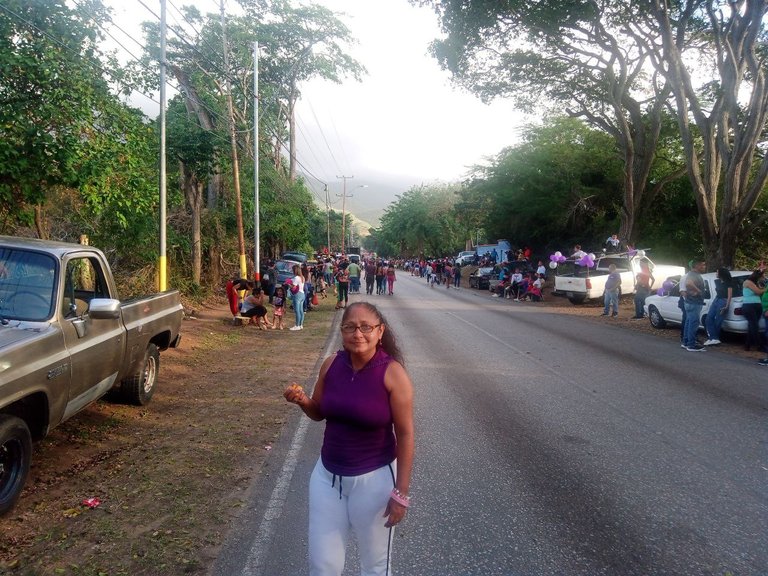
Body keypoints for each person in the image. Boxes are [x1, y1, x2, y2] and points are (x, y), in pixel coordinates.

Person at [283, 302, 415, 576]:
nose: (358, 334)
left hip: (375, 482)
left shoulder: (393, 374)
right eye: (350, 327)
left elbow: (405, 434)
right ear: (342, 331)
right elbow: (319, 412)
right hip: (326, 479)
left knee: (375, 567)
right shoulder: (332, 364)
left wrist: (400, 493)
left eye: (366, 327)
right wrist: (302, 400)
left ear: (380, 332)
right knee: (323, 566)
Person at [703, 268, 733, 346]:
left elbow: (730, 295)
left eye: (717, 272)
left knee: (718, 320)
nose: (716, 273)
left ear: (721, 273)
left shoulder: (728, 282)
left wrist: (726, 306)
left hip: (723, 301)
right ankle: (714, 338)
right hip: (716, 299)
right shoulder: (718, 281)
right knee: (708, 318)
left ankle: (713, 339)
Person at [683, 259, 707, 351]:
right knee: (693, 324)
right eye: (702, 265)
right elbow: (689, 283)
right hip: (694, 303)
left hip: (690, 302)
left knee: (689, 323)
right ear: (697, 266)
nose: (704, 267)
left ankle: (686, 342)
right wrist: (698, 290)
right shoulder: (694, 275)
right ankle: (691, 345)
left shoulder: (691, 274)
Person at [741, 269, 764, 351]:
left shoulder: (755, 283)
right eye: (762, 277)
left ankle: (747, 345)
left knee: (752, 326)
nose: (763, 278)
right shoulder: (748, 282)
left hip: (757, 305)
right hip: (749, 306)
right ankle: (759, 345)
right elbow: (759, 292)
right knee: (754, 326)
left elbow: (760, 290)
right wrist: (766, 289)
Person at [288, 263, 306, 331]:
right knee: (301, 310)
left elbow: (294, 287)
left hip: (297, 295)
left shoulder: (296, 278)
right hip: (302, 294)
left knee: (297, 311)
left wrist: (289, 284)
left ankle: (297, 325)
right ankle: (301, 324)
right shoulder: (302, 277)